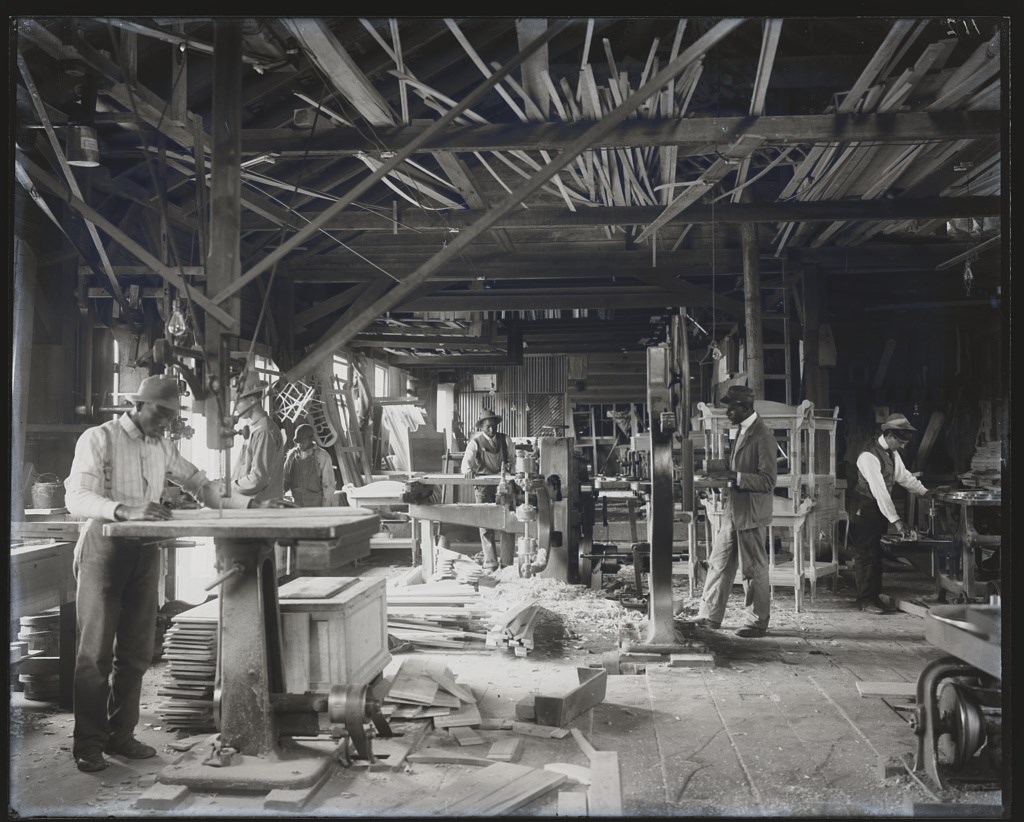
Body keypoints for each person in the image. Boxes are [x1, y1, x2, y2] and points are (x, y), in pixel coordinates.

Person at [63, 374, 251, 774]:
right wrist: (125, 510)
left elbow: (197, 479)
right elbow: (75, 497)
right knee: (94, 655)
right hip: (105, 548)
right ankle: (89, 743)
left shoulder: (161, 445)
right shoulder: (100, 438)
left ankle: (121, 735)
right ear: (140, 405)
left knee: (135, 653)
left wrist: (231, 506)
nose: (167, 422)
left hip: (145, 551)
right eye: (162, 413)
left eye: (172, 415)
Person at [694, 385, 779, 638]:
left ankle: (757, 622)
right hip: (735, 510)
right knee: (719, 563)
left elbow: (767, 481)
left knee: (753, 569)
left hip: (751, 513)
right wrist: (723, 472)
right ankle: (710, 615)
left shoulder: (763, 435)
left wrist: (735, 476)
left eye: (731, 407)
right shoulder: (743, 430)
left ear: (745, 408)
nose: (727, 411)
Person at [848, 413, 932, 614]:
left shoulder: (892, 454)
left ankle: (874, 597)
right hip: (865, 507)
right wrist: (897, 521)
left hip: (877, 509)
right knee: (865, 555)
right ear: (890, 436)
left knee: (877, 554)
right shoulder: (868, 455)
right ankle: (864, 599)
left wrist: (926, 492)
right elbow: (880, 492)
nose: (902, 446)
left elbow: (905, 477)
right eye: (900, 442)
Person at [460, 410, 511, 571]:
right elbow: (465, 462)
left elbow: (514, 459)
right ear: (481, 426)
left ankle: (507, 561)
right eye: (488, 426)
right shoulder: (475, 443)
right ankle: (490, 562)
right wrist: (467, 470)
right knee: (485, 524)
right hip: (483, 487)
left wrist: (513, 473)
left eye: (494, 426)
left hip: (503, 485)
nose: (492, 430)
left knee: (507, 521)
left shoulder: (505, 440)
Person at [231, 370, 285, 504]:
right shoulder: (254, 428)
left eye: (237, 402)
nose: (235, 408)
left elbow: (257, 479)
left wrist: (229, 486)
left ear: (251, 400)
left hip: (262, 506)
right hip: (252, 503)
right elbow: (245, 469)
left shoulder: (264, 431)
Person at [283, 423, 338, 507]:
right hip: (297, 505)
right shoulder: (292, 455)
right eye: (298, 442)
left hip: (316, 506)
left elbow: (328, 485)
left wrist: (326, 508)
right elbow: (285, 480)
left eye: (303, 442)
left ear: (311, 439)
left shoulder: (322, 456)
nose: (300, 445)